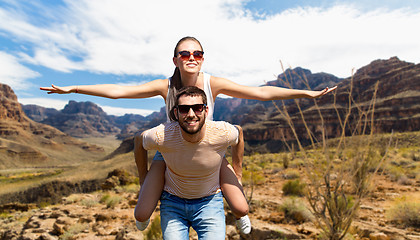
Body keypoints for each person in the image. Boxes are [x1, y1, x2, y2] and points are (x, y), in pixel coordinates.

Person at [40, 36, 337, 234]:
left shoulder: (214, 83)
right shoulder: (164, 86)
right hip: (172, 151)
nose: (191, 57)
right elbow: (119, 92)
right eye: (185, 53)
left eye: (197, 53)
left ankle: (238, 210)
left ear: (203, 59)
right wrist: (74, 88)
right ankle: (151, 200)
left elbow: (260, 93)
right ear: (175, 60)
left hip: (209, 150)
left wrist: (306, 94)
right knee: (142, 213)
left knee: (239, 205)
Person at [139, 86, 239, 239]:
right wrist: (143, 178)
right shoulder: (161, 135)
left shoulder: (223, 132)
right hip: (173, 201)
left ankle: (241, 215)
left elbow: (239, 133)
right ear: (176, 112)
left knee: (242, 208)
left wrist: (238, 172)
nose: (191, 114)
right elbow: (139, 141)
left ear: (206, 110)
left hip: (209, 201)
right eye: (184, 109)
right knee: (140, 214)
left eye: (197, 108)